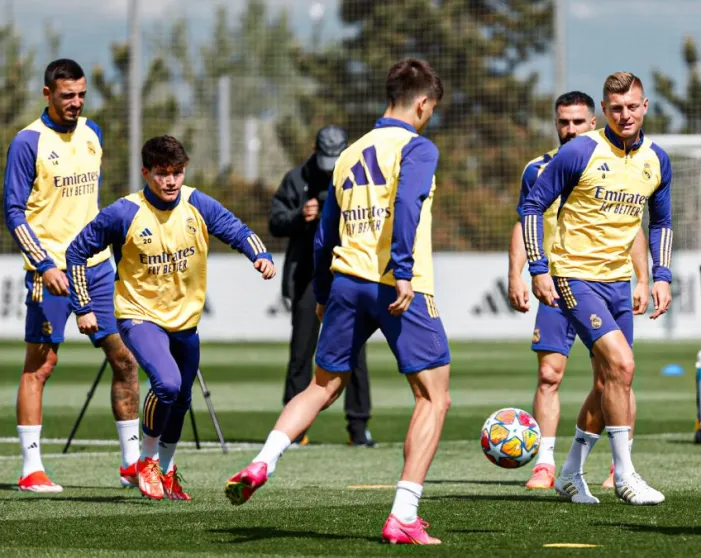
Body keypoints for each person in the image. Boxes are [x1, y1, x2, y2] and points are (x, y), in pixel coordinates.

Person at [225, 57, 451, 545]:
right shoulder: (417, 148)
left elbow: (326, 232)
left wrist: (324, 294)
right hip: (396, 286)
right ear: (424, 103)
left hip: (345, 282)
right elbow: (408, 204)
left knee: (321, 386)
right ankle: (404, 515)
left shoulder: (350, 154)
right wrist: (405, 272)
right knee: (433, 397)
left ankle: (264, 460)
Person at [65, 135, 276, 501]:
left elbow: (238, 230)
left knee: (181, 402)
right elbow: (76, 252)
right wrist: (83, 307)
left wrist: (260, 256)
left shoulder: (197, 204)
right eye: (162, 174)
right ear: (146, 173)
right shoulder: (124, 213)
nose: (171, 181)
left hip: (185, 320)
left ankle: (167, 469)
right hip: (138, 315)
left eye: (177, 172)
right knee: (167, 384)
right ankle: (145, 462)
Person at [520, 71, 673, 506]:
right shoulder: (580, 153)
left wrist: (659, 275)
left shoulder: (657, 159)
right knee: (622, 365)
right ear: (604, 112)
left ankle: (569, 471)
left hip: (617, 282)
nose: (625, 115)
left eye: (633, 107)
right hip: (573, 276)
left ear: (644, 107)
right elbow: (533, 204)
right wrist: (537, 267)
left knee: (610, 378)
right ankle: (624, 475)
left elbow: (660, 222)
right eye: (617, 109)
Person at [2, 58, 141, 493]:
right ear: (48, 94)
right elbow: (13, 211)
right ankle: (31, 470)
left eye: (81, 95)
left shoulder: (93, 134)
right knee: (41, 366)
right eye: (67, 96)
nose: (76, 103)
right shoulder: (28, 142)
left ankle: (132, 466)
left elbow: (94, 210)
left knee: (125, 361)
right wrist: (45, 265)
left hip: (97, 270)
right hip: (51, 274)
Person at [269, 125, 376, 447]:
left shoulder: (359, 178)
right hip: (306, 277)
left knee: (354, 352)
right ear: (315, 148)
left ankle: (358, 429)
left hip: (349, 271)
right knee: (301, 352)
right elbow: (275, 221)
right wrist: (299, 216)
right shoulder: (295, 178)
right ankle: (295, 430)